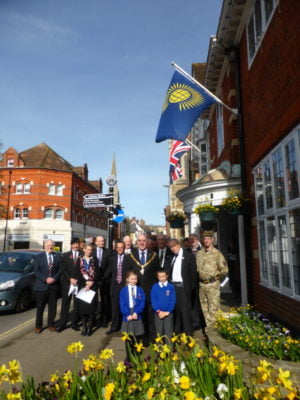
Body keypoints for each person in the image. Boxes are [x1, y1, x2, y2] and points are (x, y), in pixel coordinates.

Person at [126, 233, 160, 343]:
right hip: (136, 291)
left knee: (150, 315)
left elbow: (157, 273)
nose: (141, 242)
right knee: (137, 315)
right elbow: (128, 273)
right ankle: (137, 339)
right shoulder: (131, 255)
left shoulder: (154, 255)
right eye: (139, 240)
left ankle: (149, 339)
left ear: (147, 242)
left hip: (149, 291)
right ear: (137, 242)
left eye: (144, 240)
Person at [196, 231, 228, 328]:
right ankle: (208, 329)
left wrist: (215, 278)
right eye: (204, 239)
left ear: (212, 240)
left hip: (212, 285)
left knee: (213, 308)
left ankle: (214, 331)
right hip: (202, 285)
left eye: (208, 239)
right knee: (204, 308)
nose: (206, 241)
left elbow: (224, 270)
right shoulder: (199, 253)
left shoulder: (217, 253)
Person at [168, 238, 197, 336]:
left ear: (179, 245)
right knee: (176, 313)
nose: (173, 248)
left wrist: (190, 289)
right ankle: (177, 334)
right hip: (174, 288)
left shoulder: (188, 256)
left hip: (183, 288)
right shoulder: (173, 257)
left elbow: (193, 275)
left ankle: (189, 336)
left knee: (185, 313)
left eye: (174, 246)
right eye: (171, 247)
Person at [33, 240, 61, 334]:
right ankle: (38, 326)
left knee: (52, 308)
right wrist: (45, 279)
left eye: (52, 245)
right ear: (44, 246)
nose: (50, 247)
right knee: (40, 308)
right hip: (41, 286)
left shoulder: (58, 256)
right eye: (48, 245)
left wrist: (54, 279)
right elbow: (36, 271)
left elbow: (60, 270)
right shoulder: (38, 257)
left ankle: (51, 325)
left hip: (53, 286)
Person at [57, 238, 83, 332]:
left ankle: (74, 323)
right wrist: (70, 279)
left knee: (77, 304)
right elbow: (63, 269)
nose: (76, 246)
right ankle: (62, 324)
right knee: (65, 304)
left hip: (79, 283)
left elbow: (84, 270)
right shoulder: (65, 255)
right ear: (71, 245)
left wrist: (78, 280)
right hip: (68, 284)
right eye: (74, 244)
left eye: (77, 244)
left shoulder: (82, 255)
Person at [74, 243, 100, 336]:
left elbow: (98, 273)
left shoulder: (95, 260)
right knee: (82, 309)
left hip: (92, 287)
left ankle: (89, 327)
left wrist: (92, 282)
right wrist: (85, 283)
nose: (89, 251)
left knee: (91, 309)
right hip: (83, 287)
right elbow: (77, 273)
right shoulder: (79, 260)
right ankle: (84, 326)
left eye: (91, 250)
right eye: (87, 249)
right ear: (84, 250)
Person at [105, 240, 129, 334]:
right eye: (118, 247)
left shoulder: (128, 258)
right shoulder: (112, 259)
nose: (120, 249)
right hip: (114, 286)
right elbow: (108, 272)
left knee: (124, 307)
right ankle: (114, 326)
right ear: (115, 248)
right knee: (114, 308)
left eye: (121, 247)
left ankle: (124, 327)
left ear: (124, 248)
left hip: (125, 286)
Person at [119, 270, 145, 360]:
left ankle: (136, 353)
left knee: (137, 336)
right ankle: (129, 355)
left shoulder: (140, 290)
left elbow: (142, 303)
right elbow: (122, 304)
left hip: (136, 314)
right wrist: (127, 314)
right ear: (127, 279)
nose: (134, 281)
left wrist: (136, 312)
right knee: (128, 336)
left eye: (135, 279)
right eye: (132, 279)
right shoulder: (123, 290)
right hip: (128, 314)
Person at [150, 269, 176, 340]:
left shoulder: (171, 287)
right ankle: (159, 350)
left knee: (169, 332)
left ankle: (169, 349)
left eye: (163, 276)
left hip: (168, 314)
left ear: (167, 276)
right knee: (159, 332)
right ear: (157, 277)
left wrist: (168, 312)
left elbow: (172, 300)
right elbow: (153, 300)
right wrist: (158, 311)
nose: (162, 278)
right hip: (158, 314)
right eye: (160, 277)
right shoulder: (154, 287)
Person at [93, 235, 111, 328]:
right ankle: (93, 320)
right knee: (93, 300)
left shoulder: (108, 252)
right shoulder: (92, 251)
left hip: (105, 279)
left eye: (103, 241)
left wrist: (104, 277)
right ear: (96, 242)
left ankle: (104, 320)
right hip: (93, 280)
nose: (102, 243)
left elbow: (110, 266)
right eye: (100, 241)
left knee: (105, 300)